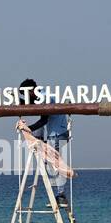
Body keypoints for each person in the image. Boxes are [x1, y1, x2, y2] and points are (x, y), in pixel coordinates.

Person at [19, 78, 71, 206]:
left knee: (54, 164)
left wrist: (28, 129)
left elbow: (43, 120)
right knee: (52, 162)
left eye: (25, 93)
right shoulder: (43, 95)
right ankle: (60, 194)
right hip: (58, 132)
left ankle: (60, 195)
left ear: (30, 91)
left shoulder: (44, 97)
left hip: (57, 133)